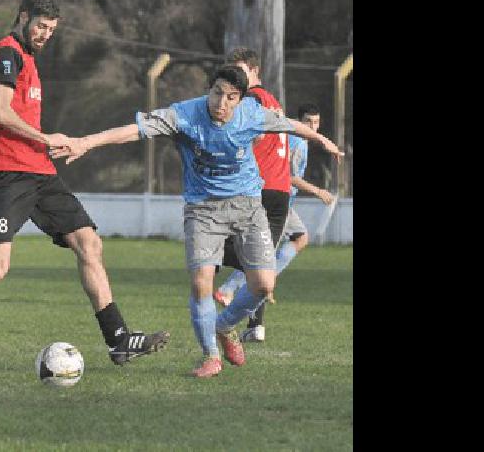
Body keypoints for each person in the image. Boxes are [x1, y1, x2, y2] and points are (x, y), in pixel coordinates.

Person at [0, 0, 170, 366]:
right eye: (40, 26)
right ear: (22, 18)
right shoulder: (6, 53)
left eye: (51, 29)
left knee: (89, 243)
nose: (45, 34)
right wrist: (44, 138)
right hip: (7, 176)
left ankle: (118, 338)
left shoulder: (25, 60)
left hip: (40, 173)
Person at [51, 65, 343, 377]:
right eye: (217, 92)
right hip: (203, 210)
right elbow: (132, 131)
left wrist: (320, 139)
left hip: (248, 207)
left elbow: (290, 126)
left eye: (231, 97)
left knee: (263, 285)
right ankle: (210, 357)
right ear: (209, 89)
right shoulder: (184, 116)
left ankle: (224, 326)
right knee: (201, 282)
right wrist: (84, 142)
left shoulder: (253, 114)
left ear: (241, 99)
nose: (221, 102)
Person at [217, 103, 335, 342]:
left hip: (281, 202)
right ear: (298, 121)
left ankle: (245, 301)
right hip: (279, 203)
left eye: (316, 123)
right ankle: (236, 294)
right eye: (308, 122)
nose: (312, 127)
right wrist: (318, 191)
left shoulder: (291, 139)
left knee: (292, 242)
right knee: (264, 256)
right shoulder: (296, 141)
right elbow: (290, 176)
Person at [214, 48, 291, 319]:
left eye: (240, 71)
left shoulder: (252, 99)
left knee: (258, 264)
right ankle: (249, 326)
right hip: (277, 188)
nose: (236, 78)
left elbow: (252, 136)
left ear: (254, 71)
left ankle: (211, 254)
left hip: (262, 186)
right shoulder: (272, 100)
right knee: (261, 266)